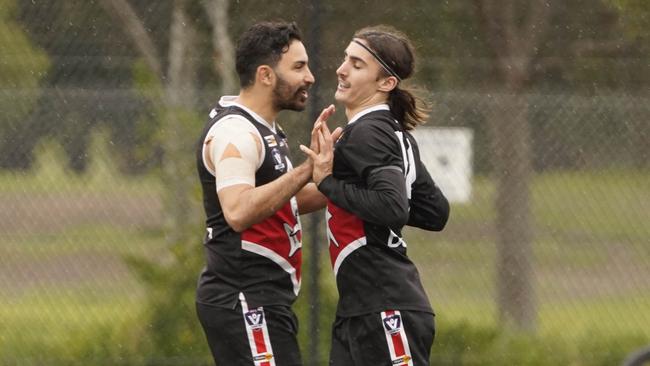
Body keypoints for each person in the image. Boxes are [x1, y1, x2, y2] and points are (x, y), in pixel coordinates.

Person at [300, 25, 450, 366]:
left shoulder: (369, 132)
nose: (341, 68)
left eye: (356, 64)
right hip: (364, 307)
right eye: (345, 59)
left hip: (386, 306)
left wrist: (328, 182)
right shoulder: (391, 132)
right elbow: (433, 212)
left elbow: (393, 207)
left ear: (386, 83)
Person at [195, 21, 339, 366]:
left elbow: (283, 201)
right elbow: (239, 211)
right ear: (266, 75)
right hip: (242, 298)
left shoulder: (266, 130)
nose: (311, 77)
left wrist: (342, 185)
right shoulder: (236, 133)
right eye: (299, 67)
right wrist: (307, 169)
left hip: (264, 300)